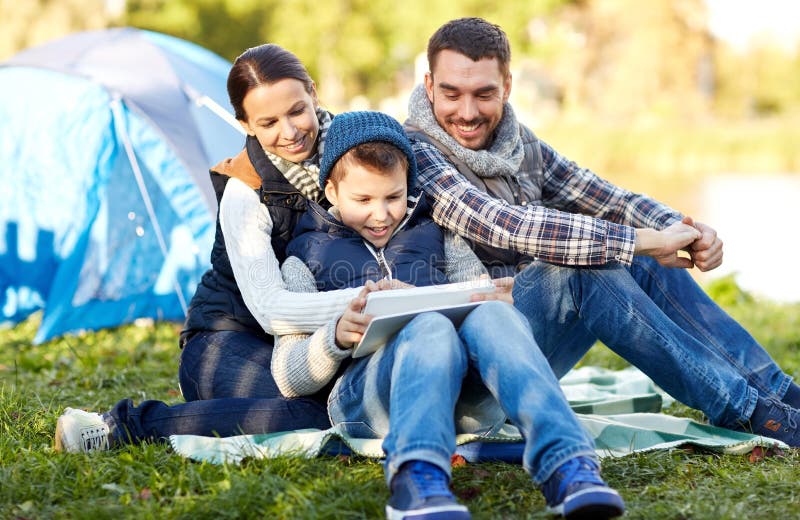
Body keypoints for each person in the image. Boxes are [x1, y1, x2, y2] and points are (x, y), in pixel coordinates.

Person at [405, 17, 800, 446]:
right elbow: (504, 224)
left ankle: (779, 394)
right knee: (582, 267)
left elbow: (606, 198)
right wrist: (638, 241)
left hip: (522, 352)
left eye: (484, 94)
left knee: (637, 253)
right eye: (451, 94)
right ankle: (752, 412)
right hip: (461, 379)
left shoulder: (518, 143)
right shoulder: (413, 154)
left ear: (508, 87)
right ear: (429, 86)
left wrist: (681, 228)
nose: (467, 112)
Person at [272, 110, 626, 519]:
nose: (381, 214)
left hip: (463, 401)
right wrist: (334, 337)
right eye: (363, 200)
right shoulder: (304, 259)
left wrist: (495, 297)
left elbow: (475, 297)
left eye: (393, 196)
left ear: (409, 184)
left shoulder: (440, 234)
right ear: (331, 191)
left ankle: (568, 468)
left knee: (493, 316)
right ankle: (416, 480)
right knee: (429, 326)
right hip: (369, 402)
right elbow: (288, 376)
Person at [54, 44, 366, 452]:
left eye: (296, 111)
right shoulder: (243, 191)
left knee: (357, 399)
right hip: (228, 340)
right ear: (246, 124)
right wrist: (365, 304)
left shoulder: (356, 154)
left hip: (314, 339)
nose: (289, 132)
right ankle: (124, 425)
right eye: (268, 122)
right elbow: (271, 309)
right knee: (319, 410)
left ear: (313, 94)